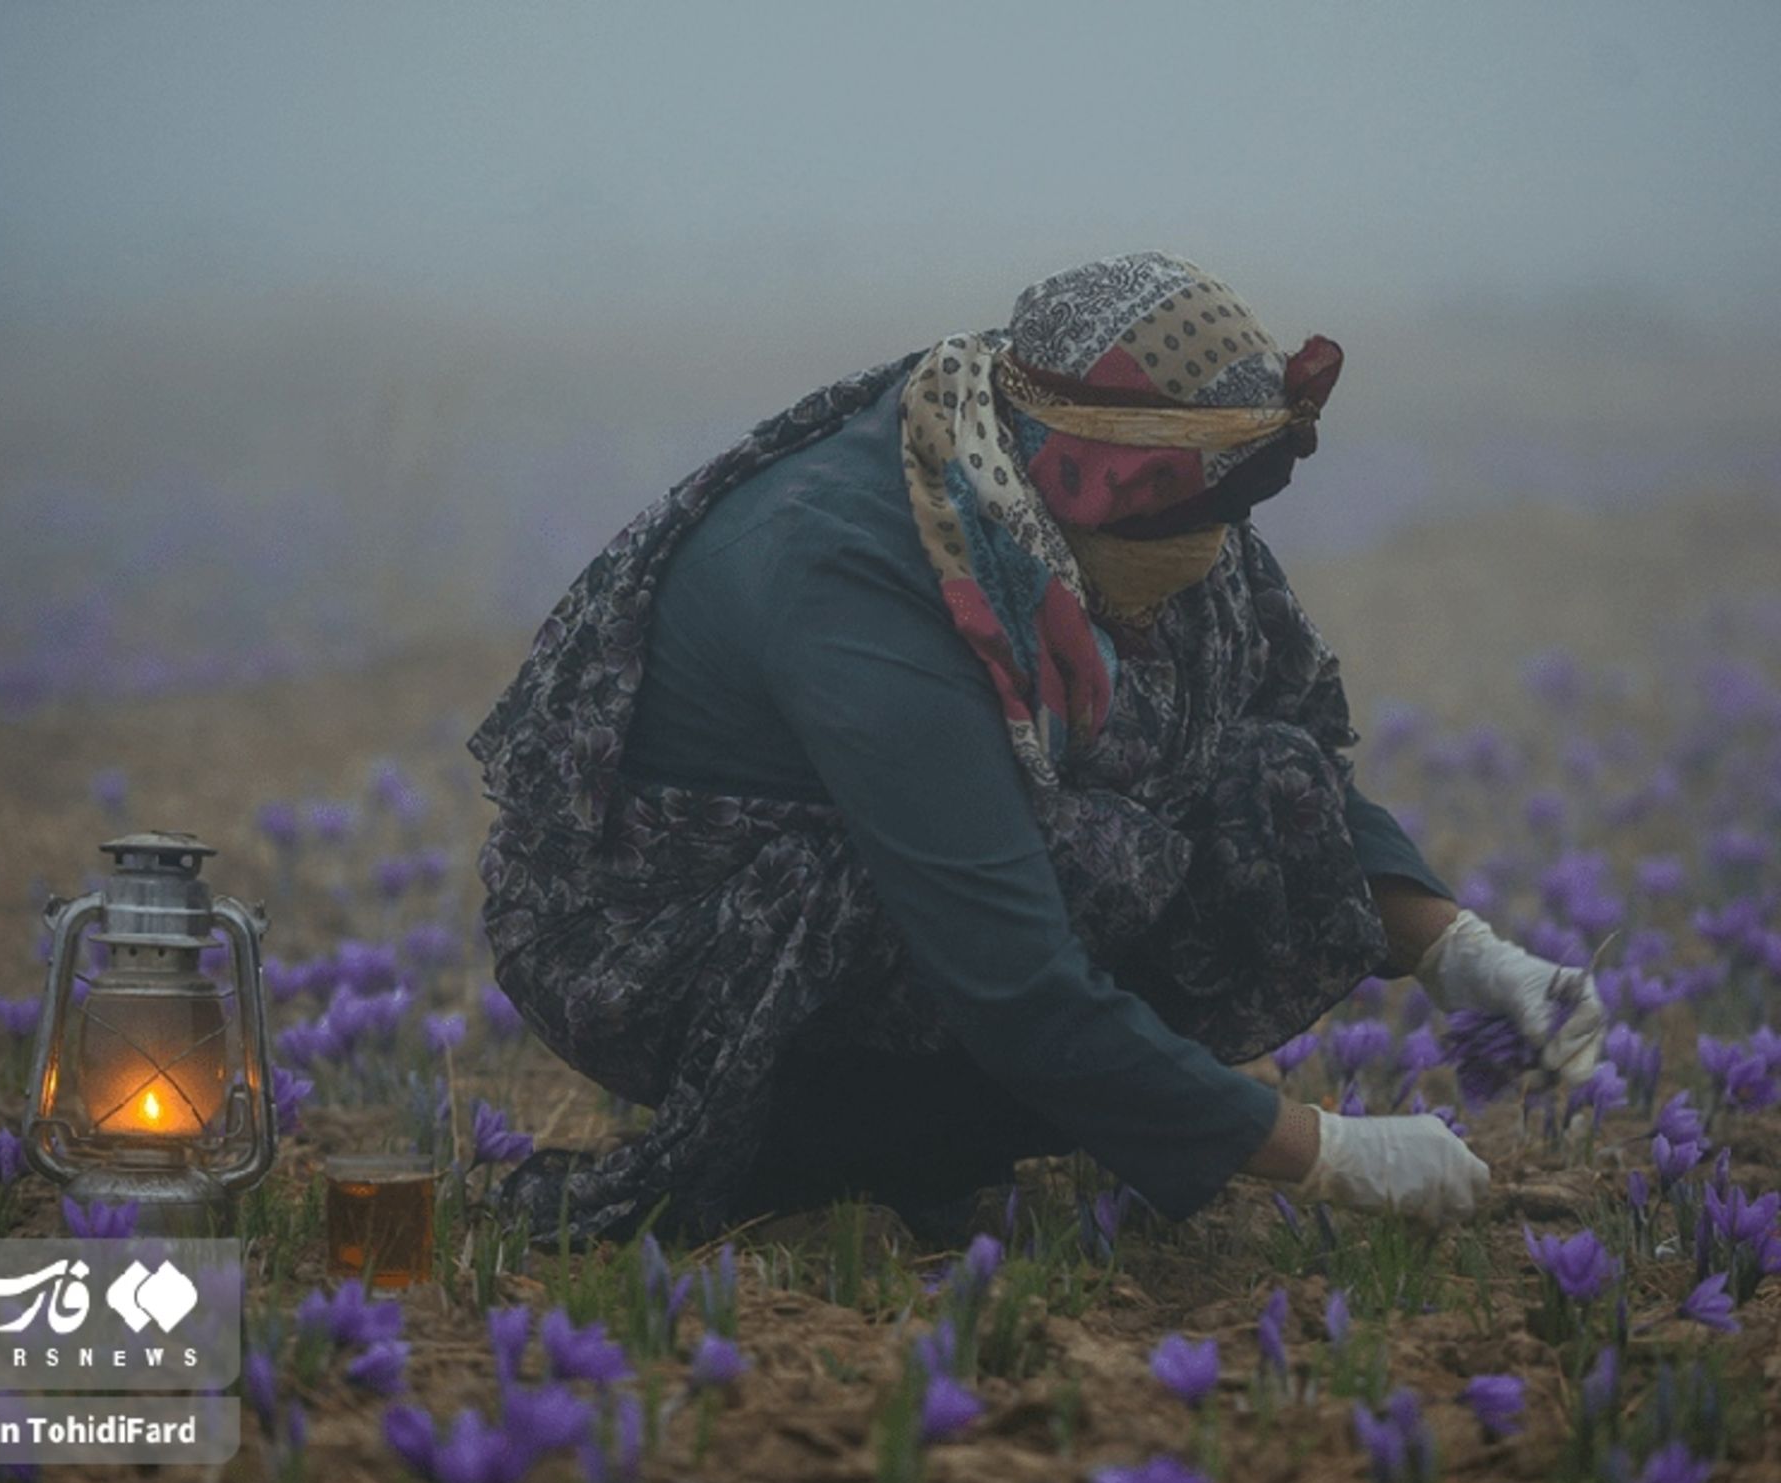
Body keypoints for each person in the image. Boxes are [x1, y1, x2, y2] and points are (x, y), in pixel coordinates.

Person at [468, 251, 1607, 1246]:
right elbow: (1008, 976)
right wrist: (1326, 1153)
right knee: (1079, 865)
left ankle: (968, 1127)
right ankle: (838, 1140)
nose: (1213, 547)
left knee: (1269, 787)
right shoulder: (861, 577)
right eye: (1185, 512)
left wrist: (1460, 950)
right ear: (1089, 477)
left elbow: (1269, 740)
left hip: (921, 878)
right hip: (667, 936)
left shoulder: (1112, 500)